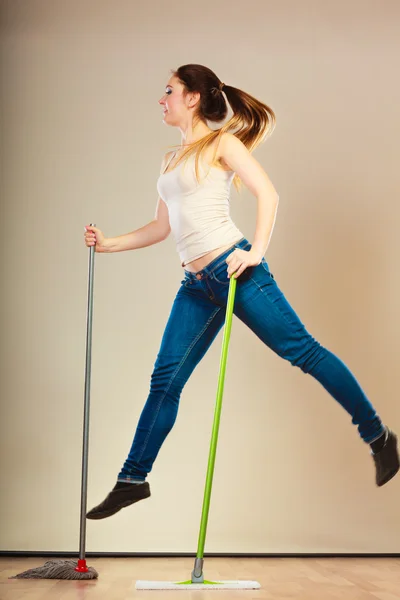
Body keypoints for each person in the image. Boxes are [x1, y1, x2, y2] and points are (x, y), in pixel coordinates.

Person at [84, 64, 399, 520]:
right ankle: (133, 479)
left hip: (235, 272)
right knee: (164, 382)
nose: (162, 99)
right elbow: (160, 227)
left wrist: (256, 253)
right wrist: (109, 243)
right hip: (196, 287)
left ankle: (379, 436)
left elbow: (268, 195)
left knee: (303, 352)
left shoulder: (222, 144)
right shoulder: (169, 160)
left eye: (169, 91)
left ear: (192, 98)